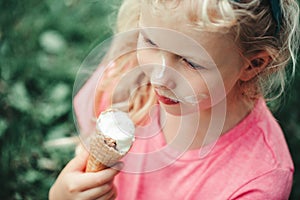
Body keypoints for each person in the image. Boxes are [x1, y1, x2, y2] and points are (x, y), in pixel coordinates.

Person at [49, 0, 300, 199]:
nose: (159, 76)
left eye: (190, 62)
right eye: (149, 40)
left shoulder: (258, 180)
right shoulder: (121, 77)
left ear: (253, 64)